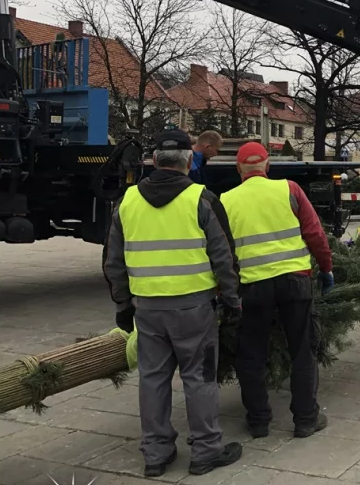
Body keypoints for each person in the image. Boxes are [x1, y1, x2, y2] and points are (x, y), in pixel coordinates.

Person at [102, 129, 242, 477]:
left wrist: (123, 305)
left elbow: (113, 262)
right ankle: (206, 449)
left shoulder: (127, 202)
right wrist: (232, 299)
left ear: (152, 161)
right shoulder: (202, 199)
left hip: (147, 309)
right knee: (199, 377)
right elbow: (224, 258)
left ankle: (156, 453)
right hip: (195, 308)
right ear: (190, 160)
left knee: (152, 378)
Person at [219, 142, 335, 439]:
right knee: (301, 350)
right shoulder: (290, 189)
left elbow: (221, 250)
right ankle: (306, 419)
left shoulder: (226, 200)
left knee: (252, 354)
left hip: (253, 286)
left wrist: (224, 288)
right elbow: (314, 232)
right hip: (295, 282)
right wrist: (326, 267)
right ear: (267, 167)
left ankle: (258, 421)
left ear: (238, 170)